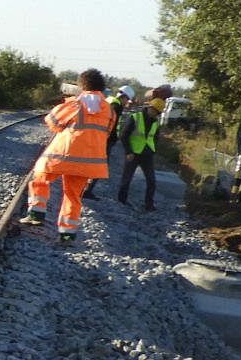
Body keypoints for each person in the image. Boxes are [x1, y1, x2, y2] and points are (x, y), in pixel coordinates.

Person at [22, 69, 114, 243]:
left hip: (62, 156)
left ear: (81, 85)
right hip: (89, 163)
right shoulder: (109, 110)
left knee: (40, 176)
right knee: (73, 196)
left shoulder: (75, 104)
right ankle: (67, 235)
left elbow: (53, 122)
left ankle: (36, 213)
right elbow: (107, 132)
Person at [114, 89, 161, 210]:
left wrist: (153, 151)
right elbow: (124, 135)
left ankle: (149, 204)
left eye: (157, 112)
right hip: (133, 153)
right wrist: (128, 151)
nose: (155, 113)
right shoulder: (135, 117)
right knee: (126, 179)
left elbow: (155, 138)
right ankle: (122, 201)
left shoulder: (156, 122)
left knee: (151, 181)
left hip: (147, 154)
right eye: (154, 111)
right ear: (150, 107)